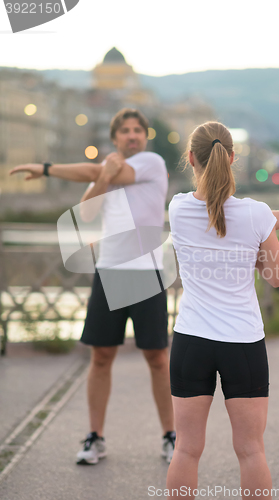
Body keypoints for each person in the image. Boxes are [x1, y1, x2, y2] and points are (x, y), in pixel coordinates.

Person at [166, 121, 279, 499]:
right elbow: (277, 276)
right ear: (233, 158)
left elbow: (227, 217)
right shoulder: (255, 214)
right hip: (242, 344)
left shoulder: (178, 208)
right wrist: (257, 252)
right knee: (251, 450)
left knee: (186, 448)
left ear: (190, 159)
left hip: (191, 342)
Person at [10, 108, 176, 465]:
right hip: (109, 272)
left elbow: (90, 172)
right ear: (114, 138)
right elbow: (85, 213)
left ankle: (170, 436)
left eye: (137, 130)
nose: (132, 135)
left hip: (145, 273)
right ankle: (95, 437)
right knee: (100, 358)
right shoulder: (110, 169)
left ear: (145, 137)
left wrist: (47, 168)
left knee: (157, 359)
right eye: (125, 131)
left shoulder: (151, 162)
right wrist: (106, 176)